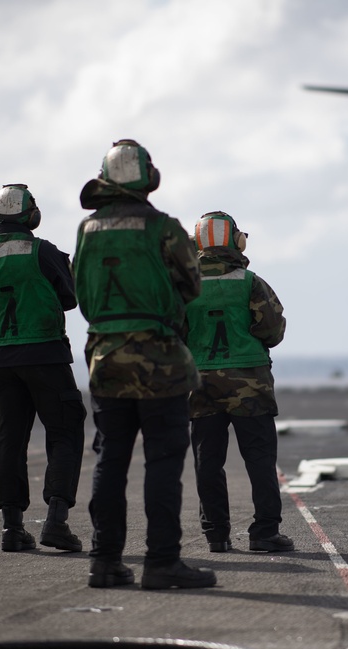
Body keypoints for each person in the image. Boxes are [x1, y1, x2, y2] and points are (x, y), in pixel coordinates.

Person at [72, 139, 216, 590]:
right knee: (163, 462)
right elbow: (192, 285)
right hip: (160, 360)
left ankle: (105, 561)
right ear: (148, 179)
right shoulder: (164, 228)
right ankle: (162, 562)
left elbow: (80, 293)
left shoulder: (86, 230)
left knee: (110, 461)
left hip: (105, 359)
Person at [0, 184, 86, 553]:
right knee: (65, 433)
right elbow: (69, 298)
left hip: (0, 361)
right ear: (32, 217)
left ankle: (12, 528)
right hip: (47, 355)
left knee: (8, 443)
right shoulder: (43, 251)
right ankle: (56, 521)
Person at [185, 211, 293, 554]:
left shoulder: (184, 286)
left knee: (208, 459)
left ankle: (216, 534)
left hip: (201, 383)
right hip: (250, 382)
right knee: (260, 459)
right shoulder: (251, 282)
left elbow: (172, 333)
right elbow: (272, 331)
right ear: (235, 241)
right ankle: (264, 533)